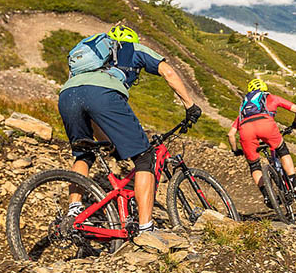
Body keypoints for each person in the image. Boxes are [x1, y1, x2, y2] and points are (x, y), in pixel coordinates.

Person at [57, 23, 201, 234]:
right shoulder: (133, 48)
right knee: (144, 158)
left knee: (83, 155)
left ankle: (74, 210)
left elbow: (92, 112)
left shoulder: (93, 56)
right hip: (103, 95)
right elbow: (168, 73)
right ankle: (146, 228)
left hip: (67, 95)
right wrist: (190, 105)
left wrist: (110, 143)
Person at [227, 78, 296, 206]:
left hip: (246, 130)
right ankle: (293, 182)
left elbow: (230, 134)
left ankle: (267, 196)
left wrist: (235, 150)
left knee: (254, 165)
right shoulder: (272, 98)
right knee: (282, 150)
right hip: (266, 125)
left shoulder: (244, 110)